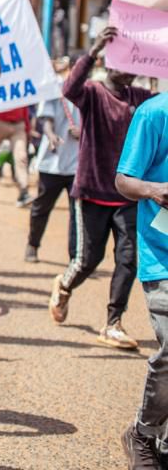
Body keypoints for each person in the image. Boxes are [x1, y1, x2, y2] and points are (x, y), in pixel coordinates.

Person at [49, 26, 154, 350]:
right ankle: (65, 285)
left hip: (127, 196)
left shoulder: (139, 97)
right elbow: (69, 88)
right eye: (124, 60)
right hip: (92, 191)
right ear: (109, 63)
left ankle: (113, 323)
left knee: (128, 258)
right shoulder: (92, 92)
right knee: (87, 259)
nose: (131, 67)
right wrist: (92, 50)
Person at [115, 92, 168, 469]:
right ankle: (143, 432)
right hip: (162, 254)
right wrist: (153, 189)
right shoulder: (155, 113)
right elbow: (124, 180)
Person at [26, 90, 81, 264]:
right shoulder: (54, 88)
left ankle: (75, 256)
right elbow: (46, 121)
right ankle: (33, 244)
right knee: (42, 207)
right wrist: (51, 135)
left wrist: (83, 131)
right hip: (52, 163)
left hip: (78, 164)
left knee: (77, 212)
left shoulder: (90, 91)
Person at [0, 104, 32, 206]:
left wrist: (27, 129)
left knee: (21, 157)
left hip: (19, 124)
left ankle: (23, 192)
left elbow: (26, 104)